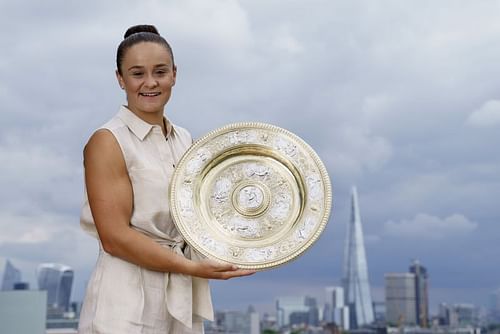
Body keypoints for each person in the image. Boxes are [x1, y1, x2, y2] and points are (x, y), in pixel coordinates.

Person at [78, 24, 254, 334]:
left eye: (160, 72)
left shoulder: (184, 139)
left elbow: (199, 217)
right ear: (120, 79)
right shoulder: (107, 141)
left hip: (181, 299)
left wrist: (248, 240)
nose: (150, 83)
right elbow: (114, 237)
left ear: (174, 74)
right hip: (126, 299)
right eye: (137, 73)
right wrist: (192, 267)